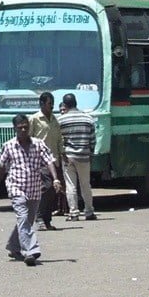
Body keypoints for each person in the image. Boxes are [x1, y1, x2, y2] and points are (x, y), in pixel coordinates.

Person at [0, 113, 61, 266]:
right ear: (14, 128)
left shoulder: (38, 144)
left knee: (27, 220)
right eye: (20, 127)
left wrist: (55, 179)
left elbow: (49, 161)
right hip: (16, 187)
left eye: (25, 126)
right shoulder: (9, 146)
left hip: (35, 188)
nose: (23, 129)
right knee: (23, 217)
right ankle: (30, 251)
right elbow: (1, 168)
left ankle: (14, 246)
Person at [56, 93, 97, 221]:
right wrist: (90, 152)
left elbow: (59, 139)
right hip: (84, 156)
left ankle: (74, 212)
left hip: (68, 156)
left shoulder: (61, 120)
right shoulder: (88, 119)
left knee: (70, 185)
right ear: (76, 103)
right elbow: (93, 140)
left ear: (65, 105)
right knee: (85, 185)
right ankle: (89, 212)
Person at [29, 92, 64, 229]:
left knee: (54, 191)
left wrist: (63, 154)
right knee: (46, 188)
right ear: (42, 104)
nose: (52, 106)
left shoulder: (55, 119)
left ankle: (47, 220)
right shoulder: (35, 119)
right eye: (50, 103)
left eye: (53, 103)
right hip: (41, 160)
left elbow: (59, 139)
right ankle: (39, 218)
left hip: (54, 161)